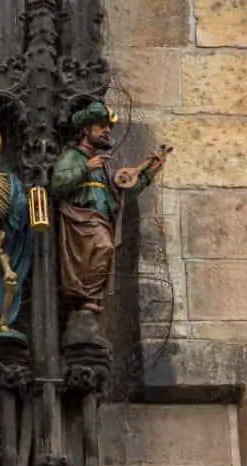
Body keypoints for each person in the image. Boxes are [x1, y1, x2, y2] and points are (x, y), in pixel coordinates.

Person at [52, 100, 167, 312]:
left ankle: (91, 298)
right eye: (101, 126)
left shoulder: (104, 162)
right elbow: (58, 185)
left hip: (103, 219)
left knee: (105, 249)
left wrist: (150, 172)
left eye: (108, 127)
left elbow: (121, 193)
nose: (106, 131)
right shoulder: (73, 156)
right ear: (86, 129)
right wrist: (86, 168)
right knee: (103, 247)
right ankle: (84, 296)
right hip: (80, 219)